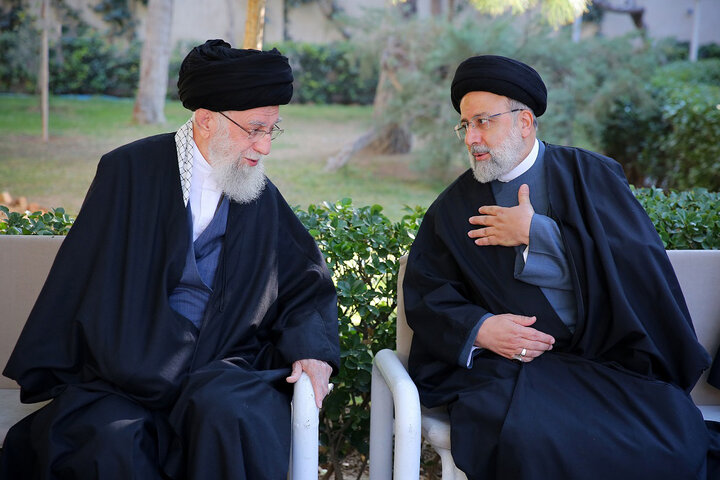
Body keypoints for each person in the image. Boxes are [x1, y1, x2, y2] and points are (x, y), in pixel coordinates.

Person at [0, 39, 340, 480]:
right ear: (206, 120)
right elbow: (85, 282)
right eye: (254, 129)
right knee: (110, 443)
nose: (265, 147)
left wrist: (313, 352)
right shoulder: (128, 172)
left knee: (229, 415)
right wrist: (143, 360)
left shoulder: (257, 193)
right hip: (125, 372)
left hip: (222, 367)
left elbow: (304, 283)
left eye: (271, 131)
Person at [403, 55, 718, 479]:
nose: (471, 138)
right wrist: (480, 329)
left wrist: (539, 233)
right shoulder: (453, 209)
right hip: (517, 373)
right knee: (531, 439)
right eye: (465, 125)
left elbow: (638, 265)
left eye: (483, 122)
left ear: (524, 122)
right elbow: (428, 293)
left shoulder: (592, 175)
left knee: (672, 438)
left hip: (610, 363)